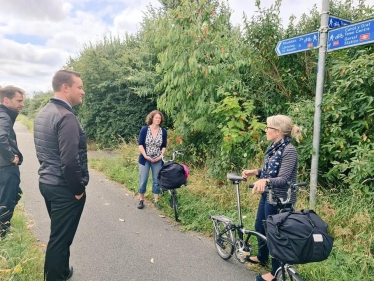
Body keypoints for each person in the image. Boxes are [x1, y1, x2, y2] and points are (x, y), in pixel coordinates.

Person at [34, 70, 88, 281]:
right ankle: (55, 277)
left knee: (60, 235)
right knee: (60, 239)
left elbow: (45, 151)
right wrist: (78, 190)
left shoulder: (44, 112)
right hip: (64, 188)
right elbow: (69, 161)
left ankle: (62, 272)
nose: (82, 92)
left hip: (47, 182)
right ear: (66, 87)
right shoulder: (66, 117)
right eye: (79, 87)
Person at [241, 115, 302, 281]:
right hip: (268, 195)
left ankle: (276, 273)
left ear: (278, 131)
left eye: (268, 128)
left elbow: (282, 178)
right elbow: (268, 170)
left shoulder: (289, 151)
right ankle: (262, 257)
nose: (266, 130)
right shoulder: (274, 147)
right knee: (260, 227)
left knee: (275, 235)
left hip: (281, 200)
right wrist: (256, 172)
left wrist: (265, 180)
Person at [0, 86, 24, 238]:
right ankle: (3, 233)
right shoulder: (3, 116)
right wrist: (11, 157)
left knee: (13, 195)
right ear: (6, 100)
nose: (22, 104)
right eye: (19, 101)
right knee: (7, 201)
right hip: (6, 167)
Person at [137, 110, 167, 209]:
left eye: (159, 118)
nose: (158, 119)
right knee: (143, 179)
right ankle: (141, 200)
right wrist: (145, 156)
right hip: (145, 158)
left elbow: (164, 146)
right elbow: (140, 145)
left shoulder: (163, 131)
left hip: (157, 159)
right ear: (152, 118)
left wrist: (160, 156)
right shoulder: (144, 129)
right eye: (156, 118)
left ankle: (156, 200)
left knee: (156, 180)